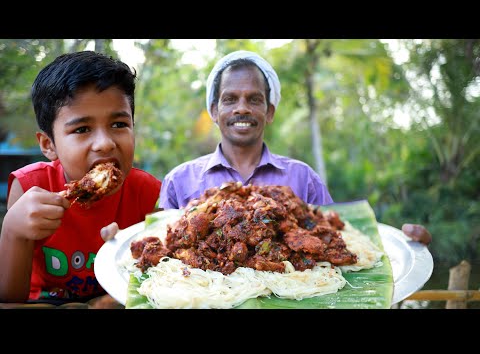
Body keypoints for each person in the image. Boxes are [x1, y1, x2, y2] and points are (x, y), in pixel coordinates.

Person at [158, 50, 432, 245]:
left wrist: (405, 243)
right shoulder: (179, 182)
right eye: (230, 99)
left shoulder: (303, 179)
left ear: (269, 111)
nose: (242, 108)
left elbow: (340, 239)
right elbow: (156, 254)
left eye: (254, 99)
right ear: (215, 111)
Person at [0, 51, 161, 304]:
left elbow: (160, 279)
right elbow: (9, 299)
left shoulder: (148, 192)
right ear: (48, 144)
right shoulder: (30, 188)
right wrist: (13, 232)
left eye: (119, 124)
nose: (105, 144)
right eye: (82, 129)